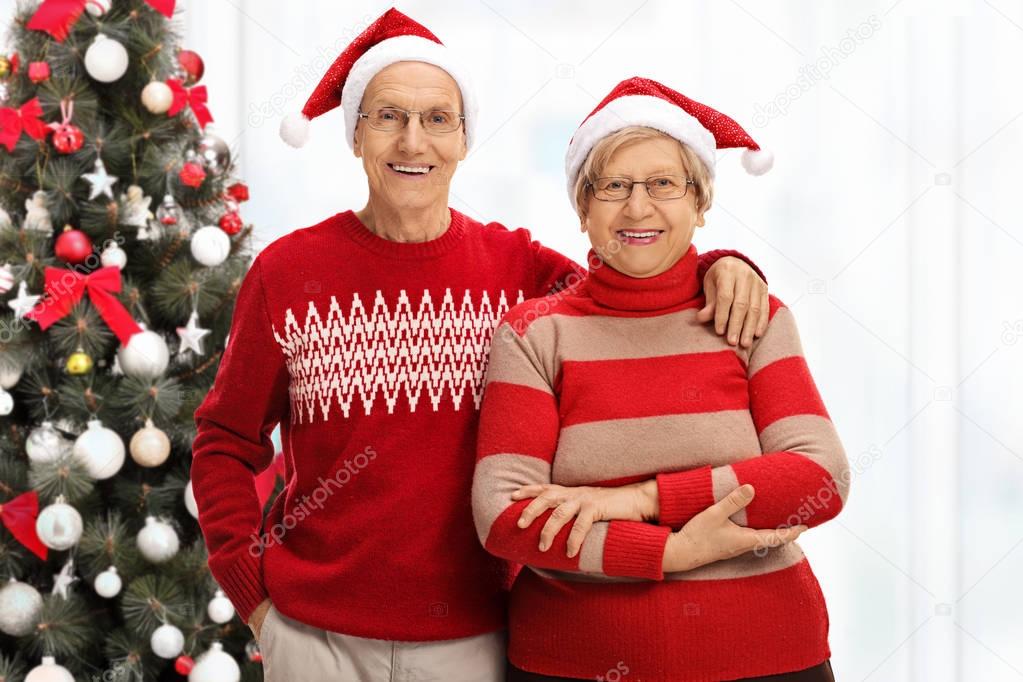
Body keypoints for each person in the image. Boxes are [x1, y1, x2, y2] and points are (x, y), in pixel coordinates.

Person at [191, 11, 771, 682]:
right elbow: (225, 440)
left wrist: (719, 265)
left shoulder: (519, 270)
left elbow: (638, 293)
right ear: (354, 134)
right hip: (312, 640)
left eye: (438, 118)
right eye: (387, 116)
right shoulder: (288, 273)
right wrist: (253, 596)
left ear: (464, 137)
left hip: (478, 640)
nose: (414, 140)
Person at [472, 77, 849, 682]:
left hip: (769, 658)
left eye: (664, 185)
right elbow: (503, 515)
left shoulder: (753, 319)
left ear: (701, 204)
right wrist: (667, 552)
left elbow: (819, 478)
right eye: (614, 187)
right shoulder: (535, 334)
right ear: (581, 208)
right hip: (573, 662)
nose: (638, 207)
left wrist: (639, 500)